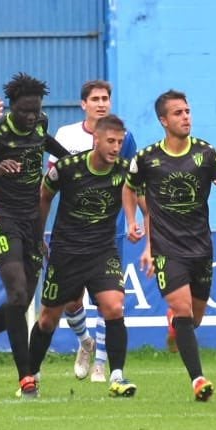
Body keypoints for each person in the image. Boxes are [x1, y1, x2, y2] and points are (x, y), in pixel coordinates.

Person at [123, 89, 216, 401]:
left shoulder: (207, 153)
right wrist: (131, 220)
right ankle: (198, 379)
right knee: (182, 308)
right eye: (178, 113)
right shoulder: (147, 158)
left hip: (201, 247)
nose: (185, 117)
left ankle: (176, 327)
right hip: (167, 248)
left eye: (187, 111)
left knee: (194, 317)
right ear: (163, 120)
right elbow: (129, 186)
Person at [0, 73, 67, 399]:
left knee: (19, 301)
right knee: (19, 294)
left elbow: (46, 142)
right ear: (11, 109)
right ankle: (26, 378)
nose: (31, 117)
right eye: (24, 111)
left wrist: (71, 161)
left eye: (35, 110)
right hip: (1, 219)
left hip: (32, 221)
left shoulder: (40, 123)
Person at [29, 115, 137, 397]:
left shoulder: (126, 171)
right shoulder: (67, 167)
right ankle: (31, 377)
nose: (115, 148)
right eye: (110, 141)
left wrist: (140, 223)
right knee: (47, 320)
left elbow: (143, 198)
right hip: (66, 252)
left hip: (102, 250)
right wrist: (38, 235)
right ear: (96, 140)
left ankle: (117, 376)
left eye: (120, 142)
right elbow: (44, 195)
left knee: (114, 307)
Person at [51, 80, 138, 382]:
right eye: (95, 99)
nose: (102, 103)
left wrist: (131, 221)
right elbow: (53, 180)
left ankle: (102, 362)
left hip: (108, 232)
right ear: (83, 104)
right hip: (72, 233)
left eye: (106, 99)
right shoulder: (66, 135)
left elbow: (132, 182)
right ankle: (85, 342)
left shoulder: (124, 138)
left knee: (109, 301)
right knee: (71, 300)